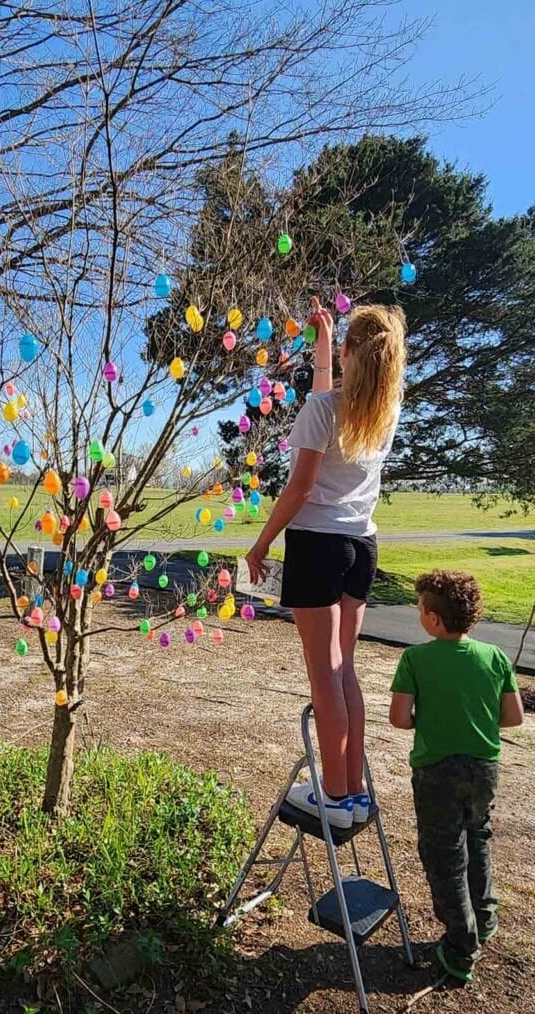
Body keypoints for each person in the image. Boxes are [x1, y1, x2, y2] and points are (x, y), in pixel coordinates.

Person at [246, 297, 406, 828]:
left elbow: (301, 486)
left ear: (351, 355)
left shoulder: (323, 411)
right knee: (346, 671)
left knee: (325, 677)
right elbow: (325, 392)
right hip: (362, 548)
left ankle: (334, 796)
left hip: (316, 545)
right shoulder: (382, 411)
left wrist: (262, 542)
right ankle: (352, 789)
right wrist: (324, 336)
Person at [389, 570, 523, 982]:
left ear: (432, 618)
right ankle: (484, 918)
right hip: (485, 768)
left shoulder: (415, 659)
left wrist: (429, 719)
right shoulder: (495, 657)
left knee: (444, 853)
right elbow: (513, 717)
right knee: (477, 836)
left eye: (419, 609)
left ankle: (461, 947)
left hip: (436, 770)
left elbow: (399, 719)